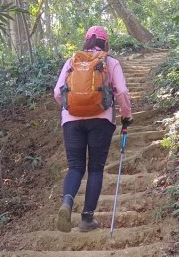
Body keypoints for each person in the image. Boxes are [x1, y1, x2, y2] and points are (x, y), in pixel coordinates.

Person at [53, 26, 132, 232]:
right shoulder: (110, 62)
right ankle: (87, 219)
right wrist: (126, 114)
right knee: (95, 169)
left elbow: (57, 92)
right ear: (106, 43)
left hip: (71, 121)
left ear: (86, 41)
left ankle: (67, 203)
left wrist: (71, 109)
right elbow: (121, 91)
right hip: (101, 120)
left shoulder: (72, 62)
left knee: (75, 167)